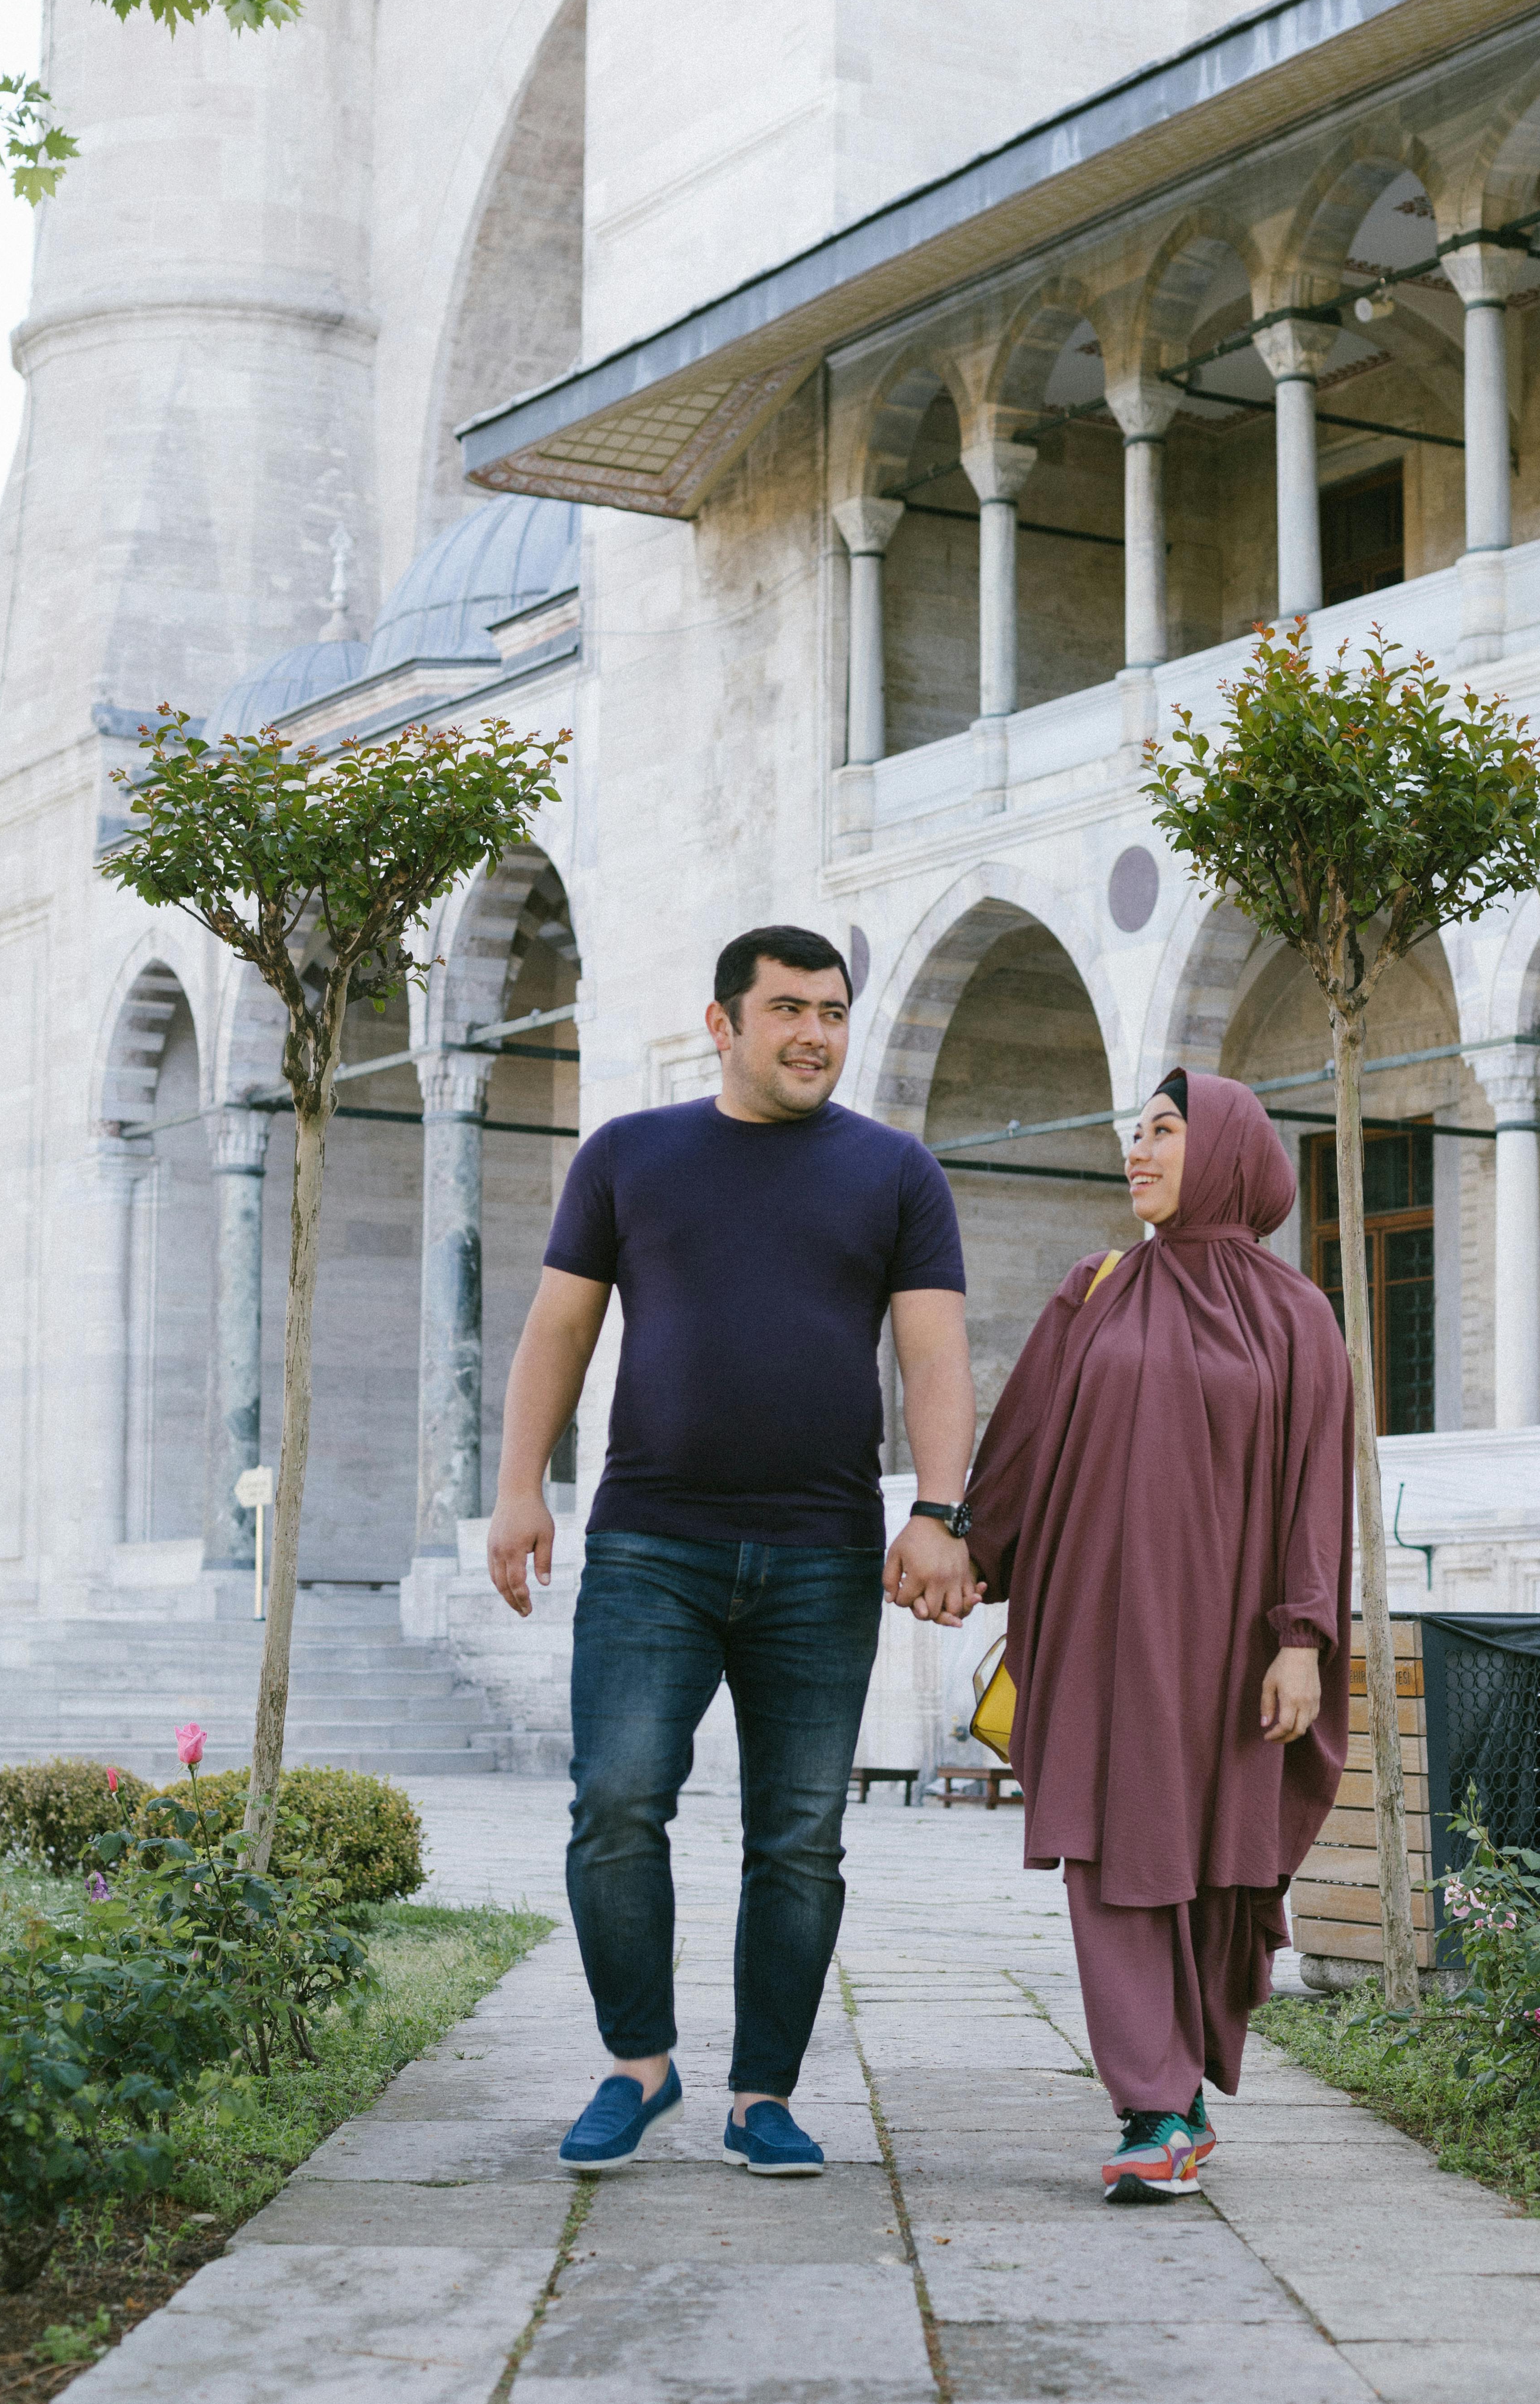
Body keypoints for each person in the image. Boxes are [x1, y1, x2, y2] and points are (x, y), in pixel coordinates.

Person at [486, 923, 982, 2181]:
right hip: (652, 1541)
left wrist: (941, 1507)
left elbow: (932, 1353)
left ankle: (764, 2091)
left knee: (799, 1836)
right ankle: (637, 2065)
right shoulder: (629, 1155)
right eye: (787, 1009)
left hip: (822, 1553)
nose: (815, 1031)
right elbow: (557, 1329)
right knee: (614, 1803)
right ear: (724, 1022)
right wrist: (519, 1490)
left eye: (832, 1010)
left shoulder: (895, 1173)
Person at [962, 1067, 1351, 2204]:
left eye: (1165, 1131)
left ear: (1226, 1150)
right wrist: (961, 1550)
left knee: (1219, 1865)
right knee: (1116, 1847)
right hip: (1095, 1625)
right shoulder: (1094, 1291)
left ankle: (1179, 2077)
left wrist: (1304, 1634)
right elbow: (1023, 1443)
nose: (1138, 1150)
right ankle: (1154, 2102)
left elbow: (1314, 1483)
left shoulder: (1296, 1315)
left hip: (1236, 1641)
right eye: (1134, 1133)